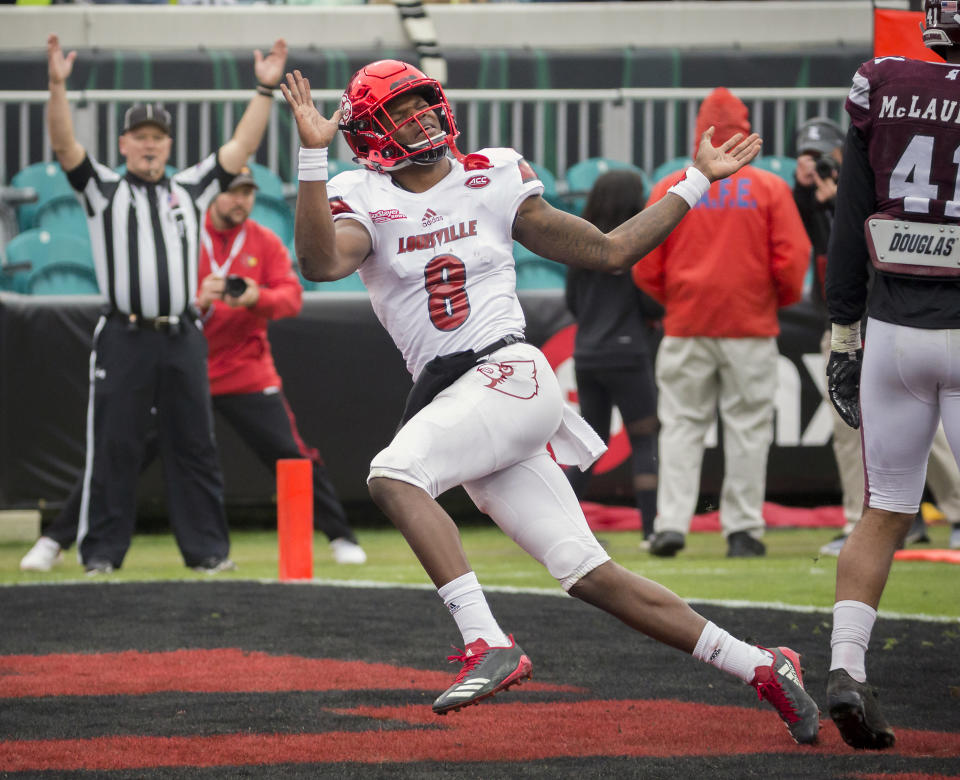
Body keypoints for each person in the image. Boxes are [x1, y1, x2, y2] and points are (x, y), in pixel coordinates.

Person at [279, 60, 820, 745]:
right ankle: (765, 665)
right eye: (400, 109)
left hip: (509, 372)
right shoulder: (361, 196)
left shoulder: (492, 174)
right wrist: (310, 156)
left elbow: (612, 249)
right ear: (369, 134)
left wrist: (696, 180)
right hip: (458, 396)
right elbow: (321, 263)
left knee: (393, 474)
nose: (419, 117)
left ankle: (485, 641)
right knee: (589, 573)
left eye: (424, 102)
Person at [20, 169, 367, 572]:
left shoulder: (265, 241)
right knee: (119, 452)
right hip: (180, 369)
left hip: (244, 370)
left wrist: (256, 297)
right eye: (233, 193)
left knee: (290, 453)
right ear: (212, 196)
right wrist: (198, 301)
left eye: (248, 194)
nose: (241, 201)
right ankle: (54, 539)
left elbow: (290, 300)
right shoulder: (179, 233)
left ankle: (341, 535)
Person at [43, 33, 287, 574]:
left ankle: (208, 554)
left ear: (169, 145)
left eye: (158, 136)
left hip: (181, 334)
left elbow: (240, 151)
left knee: (195, 444)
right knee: (116, 445)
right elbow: (65, 148)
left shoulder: (190, 189)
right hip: (125, 334)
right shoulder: (103, 190)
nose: (149, 144)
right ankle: (102, 556)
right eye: (139, 136)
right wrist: (57, 87)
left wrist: (264, 90)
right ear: (123, 143)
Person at [823, 0, 960, 750]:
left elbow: (851, 219)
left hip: (895, 330)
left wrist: (844, 330)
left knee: (883, 508)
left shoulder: (884, 83)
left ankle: (847, 665)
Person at [633, 88, 810, 559]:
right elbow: (794, 260)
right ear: (744, 128)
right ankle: (743, 531)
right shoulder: (770, 188)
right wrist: (772, 301)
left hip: (687, 324)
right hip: (749, 326)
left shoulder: (673, 184)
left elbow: (645, 262)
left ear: (701, 130)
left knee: (681, 427)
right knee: (749, 428)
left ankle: (671, 525)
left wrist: (679, 299)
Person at [793, 117, 960, 556]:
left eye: (825, 155)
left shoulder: (878, 177)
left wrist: (839, 201)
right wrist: (814, 198)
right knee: (849, 426)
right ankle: (862, 521)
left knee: (931, 430)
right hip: (845, 319)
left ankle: (956, 513)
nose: (819, 164)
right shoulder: (811, 196)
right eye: (808, 156)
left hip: (888, 315)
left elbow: (874, 243)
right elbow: (825, 248)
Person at [563, 169, 661, 542]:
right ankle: (652, 529)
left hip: (587, 355)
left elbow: (573, 302)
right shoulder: (635, 246)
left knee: (592, 443)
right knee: (644, 438)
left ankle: (562, 522)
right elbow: (650, 301)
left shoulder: (576, 244)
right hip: (628, 355)